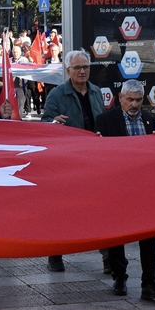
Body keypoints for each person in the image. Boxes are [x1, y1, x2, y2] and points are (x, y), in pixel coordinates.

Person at [96, 81, 155, 300]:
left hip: (145, 188)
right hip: (118, 187)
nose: (134, 104)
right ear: (120, 98)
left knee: (149, 237)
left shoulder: (150, 121)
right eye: (130, 99)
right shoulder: (105, 121)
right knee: (118, 235)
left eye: (138, 100)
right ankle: (120, 277)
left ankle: (150, 283)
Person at [41, 50, 105, 272]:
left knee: (100, 209)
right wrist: (53, 122)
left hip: (94, 160)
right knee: (61, 210)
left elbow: (102, 120)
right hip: (66, 162)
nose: (82, 71)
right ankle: (55, 254)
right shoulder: (57, 95)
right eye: (77, 68)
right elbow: (44, 123)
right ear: (68, 71)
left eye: (85, 67)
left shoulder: (96, 92)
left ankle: (109, 257)